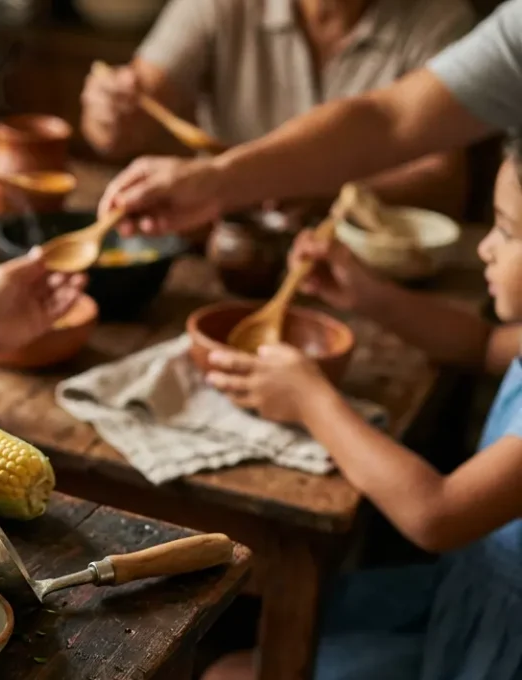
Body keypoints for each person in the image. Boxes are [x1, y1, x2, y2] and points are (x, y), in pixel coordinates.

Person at [200, 136, 522, 679]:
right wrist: (367, 293)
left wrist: (311, 399)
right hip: (463, 595)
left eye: (508, 231)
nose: (487, 247)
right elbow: (484, 346)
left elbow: (436, 514)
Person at [100, 1, 522, 238]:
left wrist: (224, 182)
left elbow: (438, 174)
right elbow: (385, 118)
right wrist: (214, 182)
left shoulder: (439, 17)